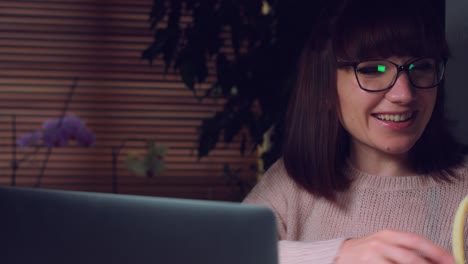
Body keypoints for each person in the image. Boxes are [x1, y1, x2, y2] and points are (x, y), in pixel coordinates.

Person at [243, 0, 468, 263]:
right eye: (373, 69)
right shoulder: (291, 185)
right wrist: (335, 255)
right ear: (325, 87)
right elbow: (217, 252)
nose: (404, 94)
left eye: (421, 67)